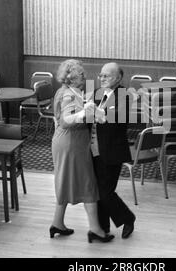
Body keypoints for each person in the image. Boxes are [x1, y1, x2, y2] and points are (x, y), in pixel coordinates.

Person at [50, 59, 114, 243]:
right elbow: (65, 121)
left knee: (65, 181)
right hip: (71, 144)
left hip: (69, 142)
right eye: (81, 73)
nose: (85, 76)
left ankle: (57, 223)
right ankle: (95, 229)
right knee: (88, 183)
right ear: (70, 77)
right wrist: (84, 113)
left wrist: (93, 112)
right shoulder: (68, 94)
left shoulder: (70, 92)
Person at [90, 62, 136, 239]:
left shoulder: (124, 95)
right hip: (93, 150)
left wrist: (98, 113)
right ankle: (103, 228)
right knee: (97, 191)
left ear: (117, 78)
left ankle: (128, 218)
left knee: (105, 192)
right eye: (100, 75)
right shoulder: (97, 93)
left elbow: (119, 120)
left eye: (106, 76)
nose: (101, 79)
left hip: (112, 151)